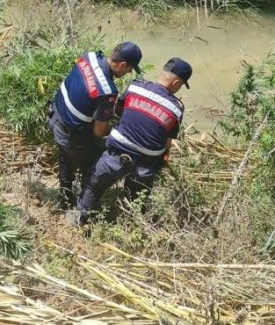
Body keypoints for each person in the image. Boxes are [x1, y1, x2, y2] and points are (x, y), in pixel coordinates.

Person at [75, 57, 192, 224]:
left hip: (114, 156)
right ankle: (131, 226)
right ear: (176, 83)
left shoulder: (135, 87)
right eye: (181, 85)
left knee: (93, 186)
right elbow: (167, 143)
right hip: (145, 165)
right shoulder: (176, 109)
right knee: (135, 203)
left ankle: (82, 221)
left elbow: (120, 112)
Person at [49, 42, 143, 210]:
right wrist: (119, 130)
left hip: (56, 114)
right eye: (129, 69)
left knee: (66, 157)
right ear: (122, 65)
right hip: (69, 133)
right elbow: (99, 132)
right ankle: (84, 207)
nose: (128, 73)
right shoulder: (107, 92)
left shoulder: (90, 56)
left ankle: (65, 197)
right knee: (95, 161)